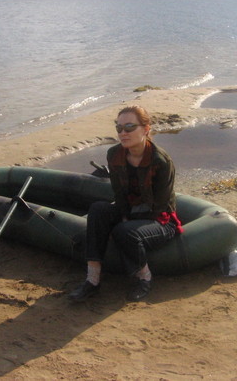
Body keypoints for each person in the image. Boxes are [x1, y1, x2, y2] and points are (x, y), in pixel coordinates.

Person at [69, 105, 183, 302]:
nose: (123, 133)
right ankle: (92, 280)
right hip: (130, 211)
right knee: (98, 209)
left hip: (161, 219)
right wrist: (123, 214)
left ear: (146, 129)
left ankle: (144, 278)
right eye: (119, 128)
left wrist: (126, 221)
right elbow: (119, 194)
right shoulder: (114, 154)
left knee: (124, 231)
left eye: (129, 127)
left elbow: (159, 206)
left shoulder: (160, 161)